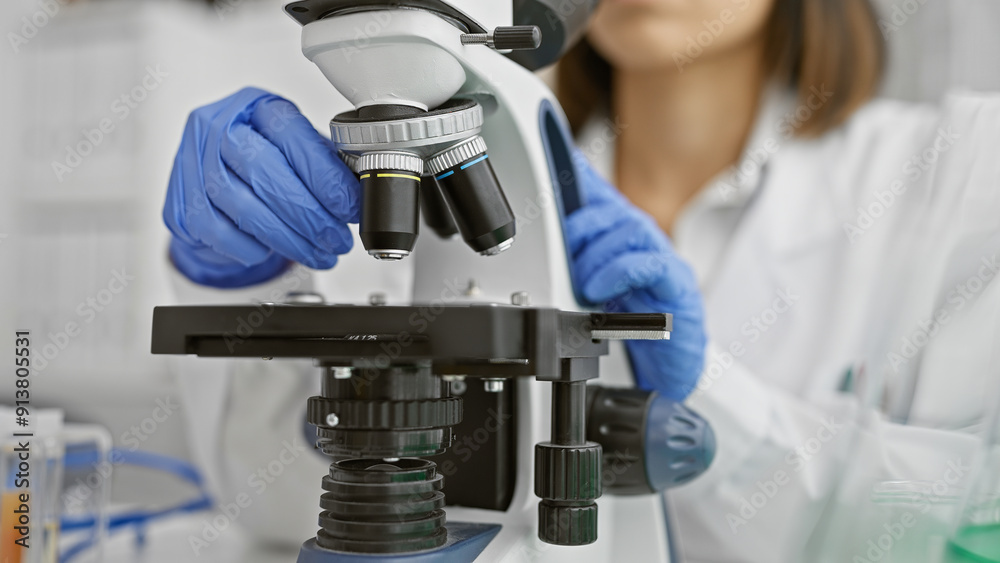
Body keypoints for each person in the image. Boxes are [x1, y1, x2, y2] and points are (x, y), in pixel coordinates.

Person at [162, 0, 1000, 560]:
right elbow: (270, 494)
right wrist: (236, 278)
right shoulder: (474, 151)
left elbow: (976, 524)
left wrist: (717, 416)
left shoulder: (962, 168)